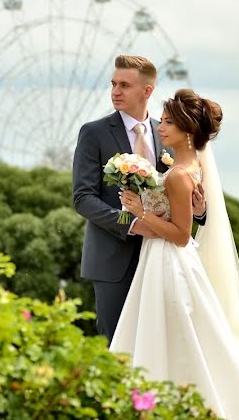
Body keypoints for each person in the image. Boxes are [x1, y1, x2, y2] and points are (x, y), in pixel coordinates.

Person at [110, 88, 239, 419]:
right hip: (167, 259)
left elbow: (180, 236)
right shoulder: (188, 167)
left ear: (188, 131)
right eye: (162, 121)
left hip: (168, 262)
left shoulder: (179, 175)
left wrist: (141, 211)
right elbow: (187, 220)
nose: (161, 127)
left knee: (167, 333)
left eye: (168, 122)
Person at [72, 55, 205, 343]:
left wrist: (199, 209)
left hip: (163, 260)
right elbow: (83, 198)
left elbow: (178, 196)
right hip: (112, 261)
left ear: (147, 91)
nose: (115, 91)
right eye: (113, 84)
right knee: (117, 348)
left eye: (124, 85)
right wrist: (130, 223)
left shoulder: (167, 132)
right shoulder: (93, 133)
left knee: (159, 346)